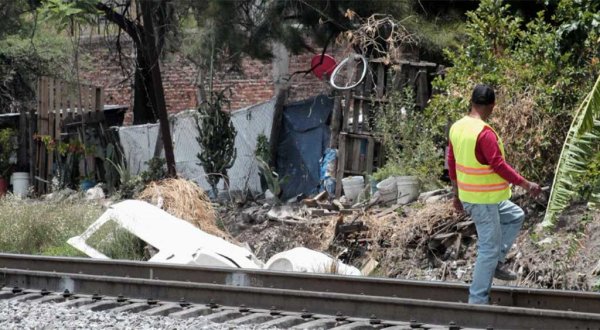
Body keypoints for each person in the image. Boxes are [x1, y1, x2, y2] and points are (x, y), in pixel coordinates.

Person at [447, 84, 541, 304]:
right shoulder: (484, 133)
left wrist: (456, 194)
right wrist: (526, 184)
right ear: (491, 106)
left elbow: (451, 163)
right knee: (488, 249)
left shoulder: (457, 127)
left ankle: (496, 262)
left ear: (471, 102)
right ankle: (477, 302)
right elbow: (498, 165)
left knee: (515, 215)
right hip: (483, 201)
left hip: (476, 198)